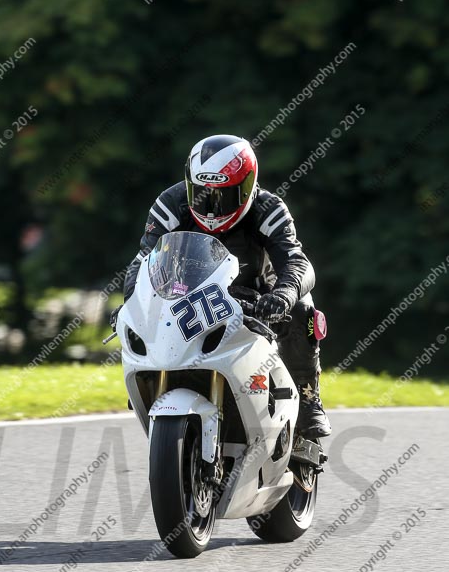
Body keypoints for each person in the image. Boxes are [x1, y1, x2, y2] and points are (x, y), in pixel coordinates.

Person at [118, 134, 331, 439]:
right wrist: (132, 301)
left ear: (247, 187)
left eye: (224, 196)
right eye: (203, 194)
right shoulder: (170, 203)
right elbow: (144, 258)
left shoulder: (268, 208)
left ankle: (309, 399)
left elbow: (298, 263)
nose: (212, 207)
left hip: (257, 298)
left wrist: (282, 295)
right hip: (187, 298)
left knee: (304, 308)